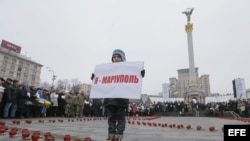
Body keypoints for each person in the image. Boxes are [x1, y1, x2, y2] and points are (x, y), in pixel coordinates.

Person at [91, 49, 145, 141]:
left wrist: (140, 74)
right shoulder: (107, 70)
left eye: (118, 57)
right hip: (110, 100)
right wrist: (94, 77)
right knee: (111, 118)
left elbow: (133, 77)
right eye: (114, 57)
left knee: (120, 119)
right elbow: (101, 80)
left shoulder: (127, 69)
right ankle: (111, 135)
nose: (116, 59)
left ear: (122, 58)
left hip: (121, 100)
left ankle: (119, 135)